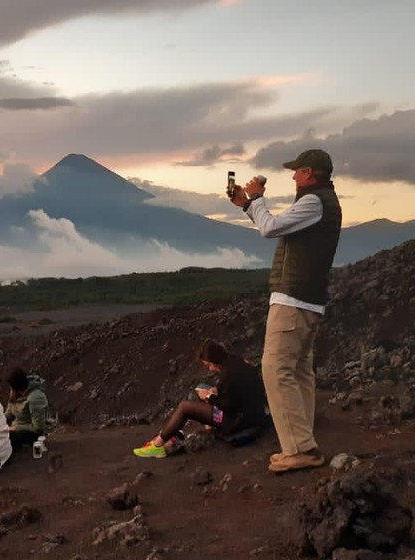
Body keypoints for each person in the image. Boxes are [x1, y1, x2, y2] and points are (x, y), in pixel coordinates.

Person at [228, 148, 342, 473]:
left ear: (309, 172)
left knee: (276, 369)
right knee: (299, 370)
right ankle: (303, 442)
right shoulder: (319, 202)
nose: (292, 176)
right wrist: (249, 205)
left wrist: (257, 198)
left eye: (296, 171)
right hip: (307, 300)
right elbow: (275, 226)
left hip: (294, 300)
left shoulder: (313, 201)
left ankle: (300, 449)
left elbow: (270, 228)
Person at [132, 339, 270, 458]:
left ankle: (158, 445)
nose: (209, 369)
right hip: (252, 412)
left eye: (209, 365)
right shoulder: (236, 362)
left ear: (215, 361)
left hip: (236, 421)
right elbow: (236, 392)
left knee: (184, 407)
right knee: (202, 387)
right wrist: (216, 391)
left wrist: (210, 397)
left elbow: (229, 406)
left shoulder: (228, 375)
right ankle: (203, 427)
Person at [4, 367, 50, 450]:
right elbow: (8, 414)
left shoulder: (36, 397)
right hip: (16, 429)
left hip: (33, 433)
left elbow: (38, 427)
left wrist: (16, 428)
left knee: (7, 439)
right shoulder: (15, 395)